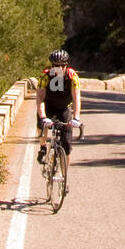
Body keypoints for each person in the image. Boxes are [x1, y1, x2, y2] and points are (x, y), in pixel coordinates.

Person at [36, 48, 81, 183]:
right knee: (41, 129)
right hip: (48, 107)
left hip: (64, 109)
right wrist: (43, 117)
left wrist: (76, 118)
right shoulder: (45, 77)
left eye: (62, 65)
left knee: (67, 146)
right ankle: (43, 147)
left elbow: (76, 98)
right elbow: (40, 99)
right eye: (56, 65)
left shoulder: (72, 76)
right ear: (51, 65)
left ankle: (64, 177)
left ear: (66, 64)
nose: (59, 68)